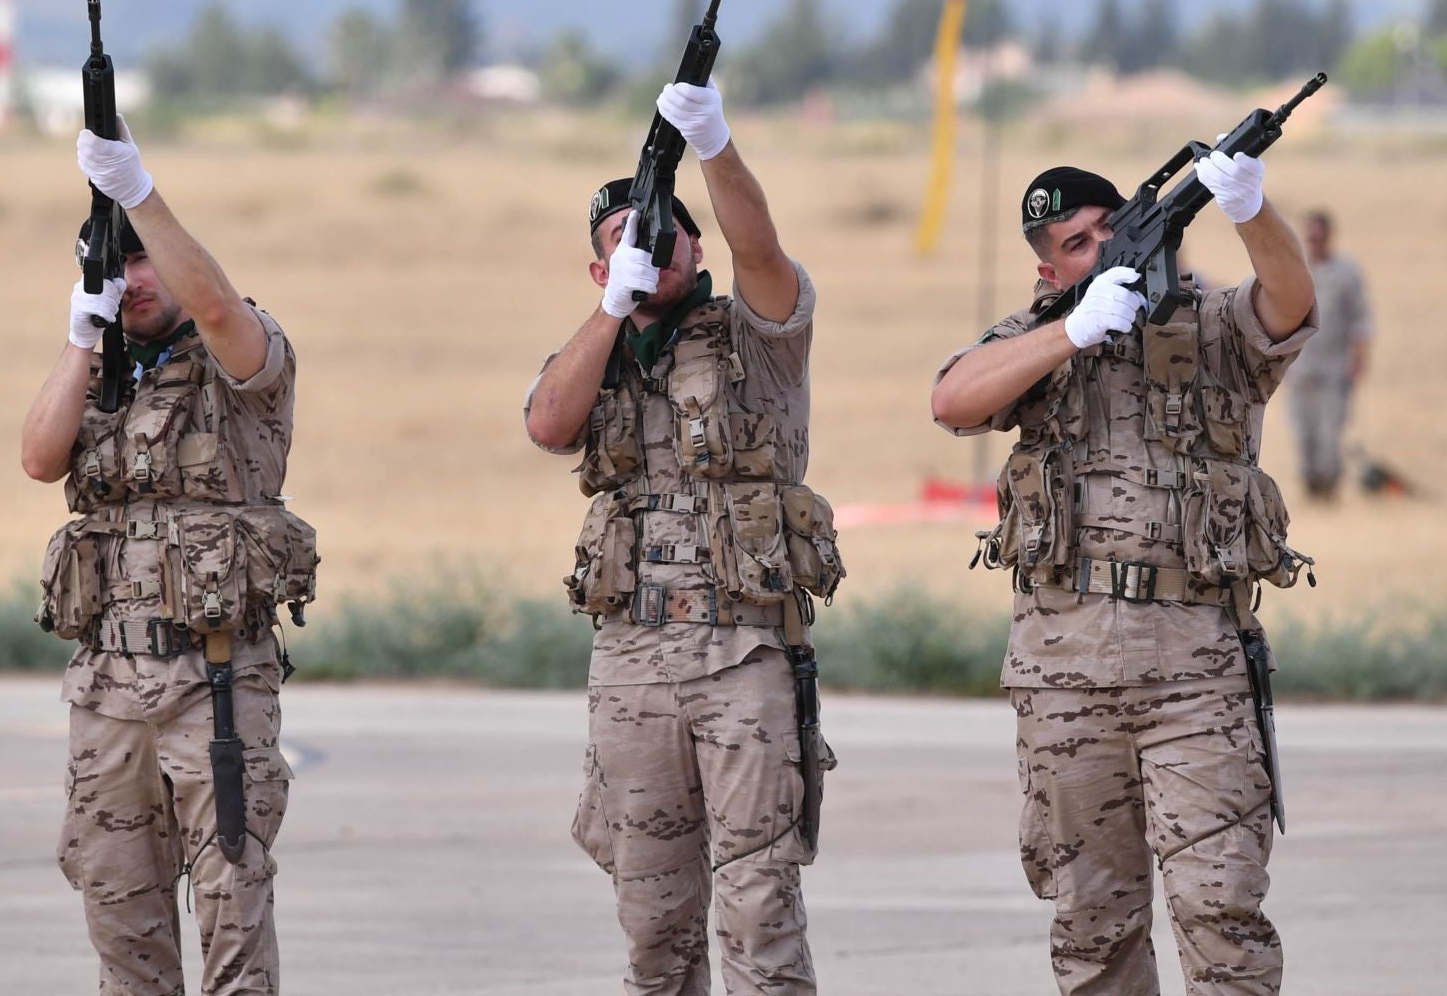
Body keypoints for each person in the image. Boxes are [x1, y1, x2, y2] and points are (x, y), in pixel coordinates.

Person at [930, 157, 1317, 994]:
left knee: (1223, 912)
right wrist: (1071, 332)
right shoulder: (1036, 340)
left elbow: (1290, 303)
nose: (1101, 247)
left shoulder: (1212, 326)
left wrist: (1252, 209)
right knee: (1092, 925)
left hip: (1196, 674)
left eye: (1110, 228)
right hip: (1065, 679)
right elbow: (952, 399)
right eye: (1077, 242)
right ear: (1050, 267)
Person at [525, 81, 841, 994]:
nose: (653, 247)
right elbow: (549, 425)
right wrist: (613, 312)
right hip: (631, 662)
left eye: (666, 232)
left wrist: (714, 142)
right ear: (599, 269)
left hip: (744, 653)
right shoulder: (599, 344)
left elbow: (763, 248)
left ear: (696, 245)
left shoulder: (758, 335)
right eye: (626, 241)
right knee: (653, 921)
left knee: (758, 906)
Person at [20, 116, 317, 996]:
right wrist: (82, 338)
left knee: (232, 910)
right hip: (108, 692)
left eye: (142, 259)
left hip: (215, 687)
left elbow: (218, 307)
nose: (131, 279)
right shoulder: (99, 368)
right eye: (112, 264)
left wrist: (137, 190)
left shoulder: (243, 357)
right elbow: (39, 457)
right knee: (120, 919)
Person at [1285, 210, 1372, 499]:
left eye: (1319, 236)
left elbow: (1360, 320)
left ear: (1328, 236)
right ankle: (1311, 492)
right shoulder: (1295, 271)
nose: (1314, 241)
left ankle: (1329, 493)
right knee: (1303, 433)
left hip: (1334, 367)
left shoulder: (1346, 273)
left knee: (1329, 434)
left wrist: (1358, 361)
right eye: (1310, 236)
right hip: (1300, 367)